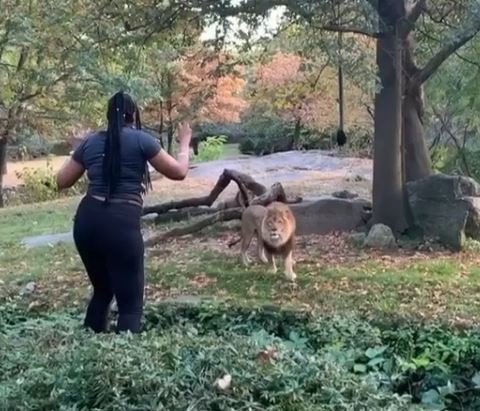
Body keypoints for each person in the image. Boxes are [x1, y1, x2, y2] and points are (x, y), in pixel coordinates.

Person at [56, 91, 192, 333]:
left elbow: (62, 180)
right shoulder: (142, 140)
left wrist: (82, 152)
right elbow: (179, 172)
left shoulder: (91, 141)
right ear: (133, 115)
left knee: (103, 289)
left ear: (108, 116)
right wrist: (184, 143)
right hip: (120, 224)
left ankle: (89, 343)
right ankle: (124, 358)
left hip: (87, 222)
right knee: (130, 305)